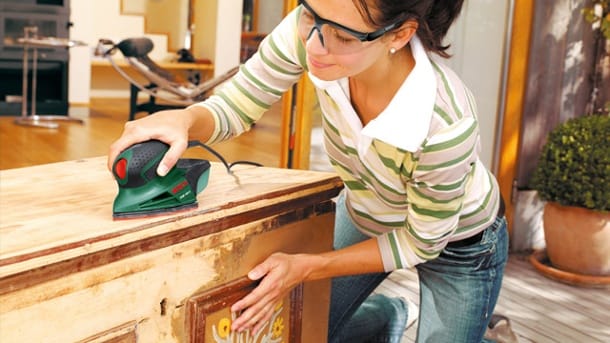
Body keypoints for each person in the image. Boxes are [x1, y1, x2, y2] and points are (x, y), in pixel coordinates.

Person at [107, 0, 509, 342]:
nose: (316, 46)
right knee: (303, 330)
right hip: (370, 214)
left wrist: (306, 266)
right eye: (309, 16)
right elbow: (236, 106)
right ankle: (387, 316)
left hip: (460, 243)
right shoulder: (320, 22)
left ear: (399, 35)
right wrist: (185, 120)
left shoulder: (444, 123)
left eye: (344, 38)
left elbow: (420, 243)